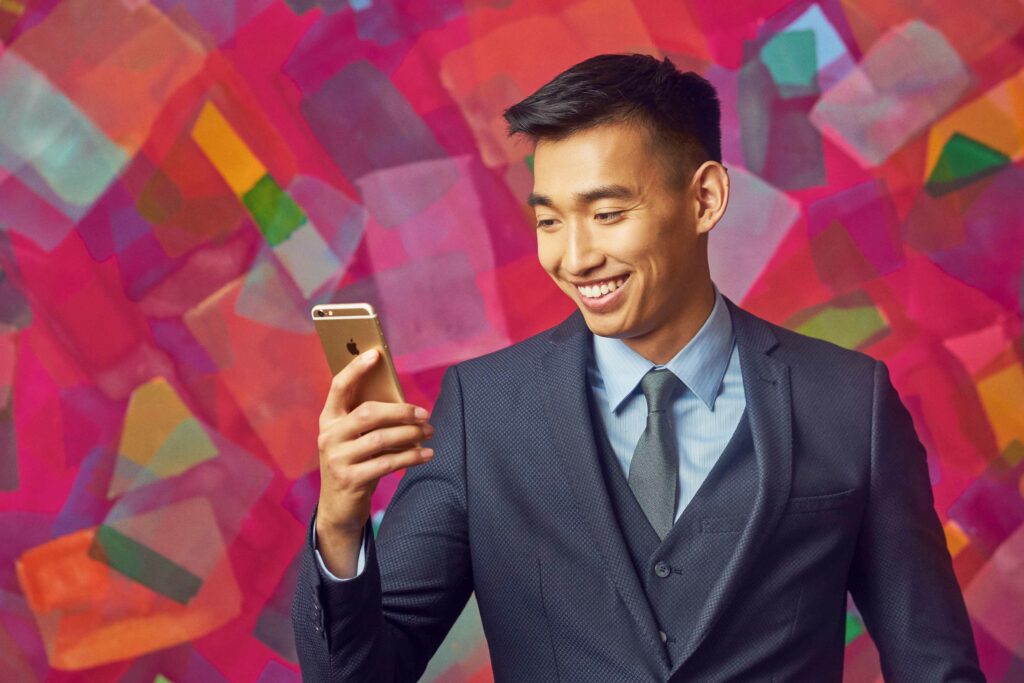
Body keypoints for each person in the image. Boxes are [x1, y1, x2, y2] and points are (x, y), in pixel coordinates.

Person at [292, 53, 984, 682]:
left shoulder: (848, 402)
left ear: (705, 198)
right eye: (549, 221)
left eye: (607, 211)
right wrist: (340, 527)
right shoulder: (484, 410)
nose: (575, 256)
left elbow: (935, 665)